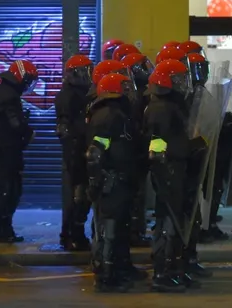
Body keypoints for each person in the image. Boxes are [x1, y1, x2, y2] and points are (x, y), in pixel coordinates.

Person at [144, 59, 205, 292]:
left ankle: (173, 269)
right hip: (168, 170)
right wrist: (167, 163)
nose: (182, 83)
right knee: (168, 222)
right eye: (178, 79)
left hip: (174, 169)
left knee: (175, 220)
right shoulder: (161, 108)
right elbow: (157, 143)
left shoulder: (171, 104)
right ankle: (163, 272)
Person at [86, 73, 141, 292]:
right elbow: (96, 151)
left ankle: (116, 270)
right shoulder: (108, 115)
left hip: (120, 179)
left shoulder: (117, 113)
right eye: (124, 86)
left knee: (119, 228)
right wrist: (96, 180)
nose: (129, 91)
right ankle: (107, 276)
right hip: (112, 180)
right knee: (109, 228)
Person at [0, 60, 39, 243]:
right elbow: (14, 123)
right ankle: (0, 230)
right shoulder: (8, 95)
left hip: (7, 148)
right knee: (7, 189)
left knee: (9, 189)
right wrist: (28, 132)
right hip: (7, 149)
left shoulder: (4, 92)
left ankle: (3, 228)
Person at [55, 54, 94, 251]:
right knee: (77, 196)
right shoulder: (68, 95)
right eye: (83, 72)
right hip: (75, 152)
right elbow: (65, 127)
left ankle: (75, 234)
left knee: (83, 196)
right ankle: (71, 235)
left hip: (82, 149)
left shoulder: (85, 92)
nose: (87, 75)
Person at [181, 52, 213, 278]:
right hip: (179, 167)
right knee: (182, 218)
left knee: (192, 215)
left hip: (190, 163)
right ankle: (178, 262)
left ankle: (188, 258)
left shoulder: (196, 95)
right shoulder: (178, 101)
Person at [121, 53, 156, 247]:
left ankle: (137, 230)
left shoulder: (140, 93)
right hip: (134, 152)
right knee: (135, 195)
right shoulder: (135, 96)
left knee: (138, 194)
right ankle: (134, 232)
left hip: (138, 151)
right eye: (142, 67)